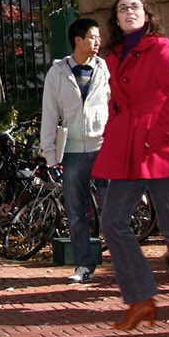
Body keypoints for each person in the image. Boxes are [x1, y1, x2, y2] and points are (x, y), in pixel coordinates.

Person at [94, 0, 169, 336]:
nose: (128, 11)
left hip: (161, 146)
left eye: (134, 6)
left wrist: (157, 137)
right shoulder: (114, 56)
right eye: (122, 8)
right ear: (115, 20)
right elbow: (117, 103)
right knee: (113, 221)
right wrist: (113, 132)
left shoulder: (160, 47)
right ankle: (141, 299)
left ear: (146, 15)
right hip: (129, 147)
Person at [40, 16, 111, 285]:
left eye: (99, 37)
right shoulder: (58, 72)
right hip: (72, 152)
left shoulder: (105, 70)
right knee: (76, 211)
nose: (97, 42)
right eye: (92, 37)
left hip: (103, 146)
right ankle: (84, 263)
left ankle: (121, 261)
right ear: (78, 40)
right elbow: (49, 113)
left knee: (112, 209)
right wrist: (49, 154)